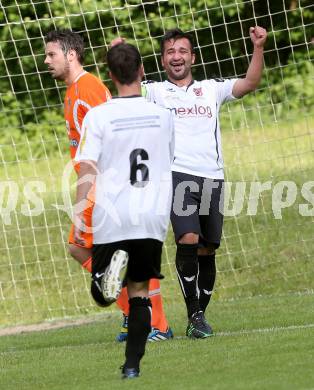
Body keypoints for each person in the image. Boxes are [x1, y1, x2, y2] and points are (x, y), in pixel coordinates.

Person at [112, 25, 267, 338]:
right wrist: (119, 53)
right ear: (161, 60)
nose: (176, 56)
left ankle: (198, 318)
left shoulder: (212, 88)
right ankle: (194, 313)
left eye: (182, 50)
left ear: (192, 57)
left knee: (208, 250)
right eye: (170, 52)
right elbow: (125, 84)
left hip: (213, 176)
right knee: (188, 239)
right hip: (177, 175)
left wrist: (259, 47)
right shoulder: (153, 91)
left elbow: (251, 82)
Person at [44, 29, 173, 342]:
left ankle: (153, 322)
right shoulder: (73, 90)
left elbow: (114, 131)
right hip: (101, 186)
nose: (46, 60)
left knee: (94, 249)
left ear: (70, 54)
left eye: (51, 54)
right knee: (95, 250)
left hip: (105, 188)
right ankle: (137, 315)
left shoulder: (88, 89)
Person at [74, 42, 174, 379]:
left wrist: (78, 216)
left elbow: (87, 168)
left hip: (111, 217)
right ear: (142, 71)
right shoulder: (163, 115)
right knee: (141, 293)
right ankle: (132, 367)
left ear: (110, 76)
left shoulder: (99, 115)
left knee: (103, 294)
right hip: (150, 216)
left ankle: (108, 280)